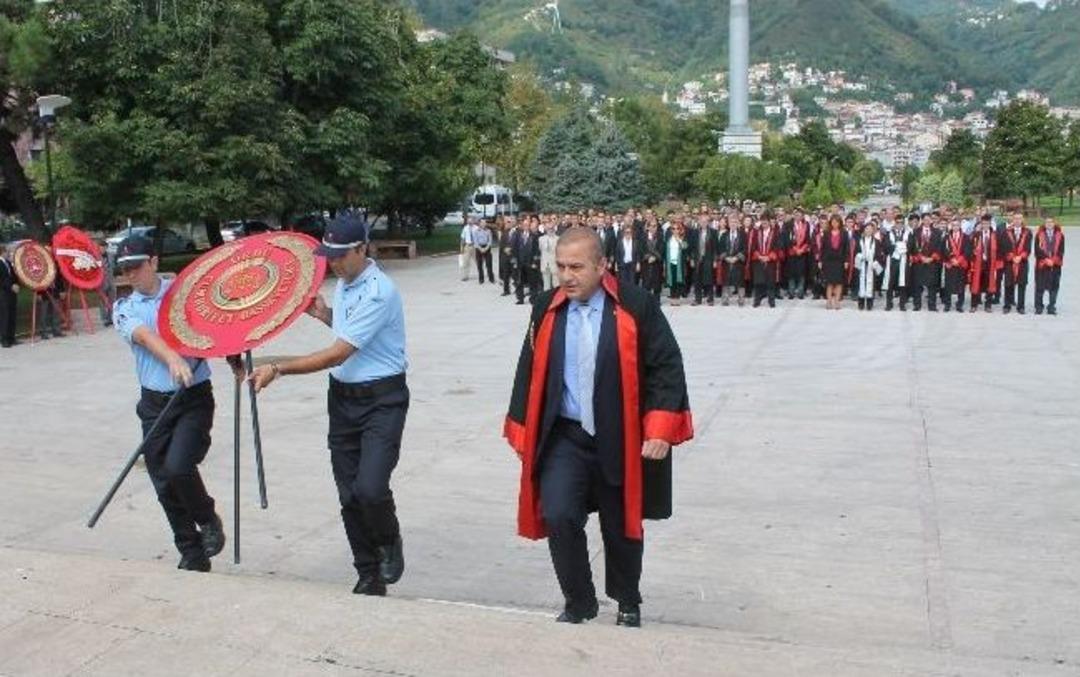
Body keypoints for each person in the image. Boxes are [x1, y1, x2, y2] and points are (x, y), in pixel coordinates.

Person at [503, 227, 693, 628]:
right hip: (565, 434)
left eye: (576, 267)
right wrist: (521, 428)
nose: (567, 276)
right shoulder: (545, 307)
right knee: (558, 513)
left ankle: (627, 600)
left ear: (602, 265)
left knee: (620, 523)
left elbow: (666, 366)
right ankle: (579, 600)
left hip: (619, 434)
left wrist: (659, 428)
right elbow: (528, 370)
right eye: (560, 267)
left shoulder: (636, 306)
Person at [249, 213, 409, 596]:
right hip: (343, 401)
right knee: (348, 494)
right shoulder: (345, 285)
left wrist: (279, 368)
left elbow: (338, 354)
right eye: (328, 256)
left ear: (361, 248)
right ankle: (367, 571)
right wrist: (324, 315)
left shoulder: (378, 291)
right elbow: (349, 332)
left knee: (370, 487)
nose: (332, 263)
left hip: (381, 400)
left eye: (340, 255)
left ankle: (388, 541)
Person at [111, 235, 234, 572]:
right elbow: (144, 337)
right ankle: (191, 552)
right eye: (125, 269)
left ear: (153, 261)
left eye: (136, 266)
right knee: (163, 481)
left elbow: (217, 326)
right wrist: (172, 358)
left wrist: (236, 359)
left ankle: (207, 518)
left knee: (179, 466)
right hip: (154, 403)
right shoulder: (124, 307)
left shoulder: (186, 295)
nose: (131, 275)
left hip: (193, 398)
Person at [910, 216, 944, 312]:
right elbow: (912, 246)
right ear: (922, 221)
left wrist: (931, 258)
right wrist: (921, 257)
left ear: (931, 221)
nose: (927, 221)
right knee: (917, 284)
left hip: (932, 262)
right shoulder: (915, 231)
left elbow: (940, 247)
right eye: (925, 220)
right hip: (919, 262)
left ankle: (932, 305)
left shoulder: (937, 232)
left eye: (929, 220)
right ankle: (917, 305)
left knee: (932, 285)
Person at [1000, 213, 1032, 315]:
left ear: (1022, 219)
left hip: (1022, 263)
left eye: (1019, 218)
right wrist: (1012, 257)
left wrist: (1020, 257)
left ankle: (1021, 306)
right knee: (1008, 284)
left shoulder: (1028, 232)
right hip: (1010, 262)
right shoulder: (1006, 232)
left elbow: (1028, 248)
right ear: (1012, 220)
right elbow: (1003, 247)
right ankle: (1007, 305)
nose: (1017, 220)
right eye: (1015, 218)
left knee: (1022, 285)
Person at [748, 213, 782, 308]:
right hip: (758, 260)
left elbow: (777, 247)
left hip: (770, 260)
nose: (764, 223)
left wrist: (768, 257)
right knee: (758, 282)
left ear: (769, 222)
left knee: (770, 282)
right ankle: (757, 300)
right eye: (763, 221)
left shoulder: (775, 233)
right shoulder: (756, 233)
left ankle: (771, 301)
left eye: (766, 221)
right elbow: (753, 247)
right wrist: (759, 256)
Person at [968, 215, 1001, 313]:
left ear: (990, 224)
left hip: (990, 264)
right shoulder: (976, 235)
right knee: (975, 283)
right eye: (983, 223)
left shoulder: (995, 235)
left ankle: (988, 305)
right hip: (978, 264)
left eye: (987, 223)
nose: (985, 225)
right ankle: (974, 305)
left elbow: (999, 250)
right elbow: (970, 248)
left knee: (989, 284)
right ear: (981, 224)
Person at [1033, 217, 1065, 315]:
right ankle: (1039, 306)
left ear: (1054, 223)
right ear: (1044, 223)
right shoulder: (1039, 235)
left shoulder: (1060, 235)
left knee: (1054, 286)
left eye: (1051, 222)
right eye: (1047, 222)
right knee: (1039, 286)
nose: (1049, 224)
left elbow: (1061, 251)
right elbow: (1037, 250)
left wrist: (1053, 260)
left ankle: (1051, 306)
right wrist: (1046, 259)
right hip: (1042, 264)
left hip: (1055, 265)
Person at [883, 218, 913, 311]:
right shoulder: (889, 234)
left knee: (903, 282)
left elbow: (911, 246)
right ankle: (889, 303)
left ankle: (902, 303)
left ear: (904, 224)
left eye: (901, 223)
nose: (899, 224)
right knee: (890, 282)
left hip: (904, 260)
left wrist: (901, 247)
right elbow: (886, 246)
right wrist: (898, 246)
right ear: (894, 223)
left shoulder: (908, 234)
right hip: (892, 261)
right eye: (897, 223)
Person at [819, 215, 848, 310]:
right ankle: (828, 301)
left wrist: (846, 260)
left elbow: (846, 248)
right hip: (828, 260)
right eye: (833, 222)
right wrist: (820, 260)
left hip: (839, 260)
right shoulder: (826, 233)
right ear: (830, 222)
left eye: (837, 222)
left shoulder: (844, 233)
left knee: (839, 282)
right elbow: (822, 248)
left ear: (840, 223)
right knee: (829, 282)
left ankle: (837, 301)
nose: (835, 223)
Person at [941, 220, 971, 312]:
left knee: (961, 285)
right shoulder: (946, 237)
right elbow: (943, 249)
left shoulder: (965, 237)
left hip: (961, 265)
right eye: (953, 225)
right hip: (950, 264)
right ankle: (947, 304)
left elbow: (968, 250)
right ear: (951, 226)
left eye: (957, 225)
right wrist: (951, 259)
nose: (955, 227)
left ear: (960, 226)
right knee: (948, 285)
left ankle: (959, 304)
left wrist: (960, 260)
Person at [853, 224, 884, 311]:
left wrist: (874, 261)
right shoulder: (859, 240)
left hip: (871, 264)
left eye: (871, 229)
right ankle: (861, 301)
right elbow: (856, 251)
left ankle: (870, 301)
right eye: (867, 229)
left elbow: (879, 254)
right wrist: (861, 256)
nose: (869, 230)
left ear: (873, 231)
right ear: (864, 230)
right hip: (862, 263)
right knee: (861, 281)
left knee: (871, 282)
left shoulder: (876, 241)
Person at [718, 217, 746, 307]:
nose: (733, 224)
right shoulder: (724, 235)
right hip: (726, 261)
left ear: (738, 224)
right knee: (726, 280)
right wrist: (726, 258)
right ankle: (725, 299)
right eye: (731, 222)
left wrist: (737, 258)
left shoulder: (743, 235)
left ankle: (741, 299)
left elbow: (745, 249)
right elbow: (720, 248)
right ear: (728, 224)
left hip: (738, 261)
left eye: (735, 222)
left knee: (740, 281)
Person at [690, 217, 718, 306]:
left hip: (708, 259)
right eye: (702, 221)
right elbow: (692, 247)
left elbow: (715, 248)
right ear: (699, 222)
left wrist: (715, 260)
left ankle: (710, 299)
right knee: (697, 280)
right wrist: (691, 259)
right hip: (697, 259)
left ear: (708, 222)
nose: (703, 223)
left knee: (709, 280)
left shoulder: (713, 232)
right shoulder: (695, 232)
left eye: (705, 221)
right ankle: (697, 299)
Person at [782, 214, 811, 300]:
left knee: (802, 273)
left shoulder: (806, 225)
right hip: (791, 253)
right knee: (791, 273)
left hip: (802, 253)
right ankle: (791, 292)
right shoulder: (788, 225)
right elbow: (786, 239)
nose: (798, 217)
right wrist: (794, 249)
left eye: (800, 215)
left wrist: (802, 249)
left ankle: (800, 292)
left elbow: (808, 239)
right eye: (796, 215)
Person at [664, 221, 689, 305]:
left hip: (679, 264)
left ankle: (677, 299)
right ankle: (672, 298)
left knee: (678, 281)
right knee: (671, 281)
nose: (675, 230)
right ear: (671, 230)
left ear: (680, 230)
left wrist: (679, 240)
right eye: (673, 229)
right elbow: (665, 251)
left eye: (677, 229)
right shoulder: (668, 239)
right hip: (670, 262)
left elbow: (685, 247)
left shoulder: (682, 238)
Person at [0, 244, 18, 347]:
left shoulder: (8, 263)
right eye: (8, 251)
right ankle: (4, 339)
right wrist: (10, 286)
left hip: (12, 293)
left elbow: (13, 276)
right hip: (4, 293)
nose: (9, 253)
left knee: (12, 314)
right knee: (5, 316)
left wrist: (16, 284)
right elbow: (1, 280)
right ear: (2, 252)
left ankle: (12, 337)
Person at [614, 223, 640, 289]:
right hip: (623, 265)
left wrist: (638, 263)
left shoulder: (635, 242)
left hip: (632, 265)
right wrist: (616, 264)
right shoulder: (620, 242)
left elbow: (637, 253)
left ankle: (631, 298)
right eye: (626, 232)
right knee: (623, 283)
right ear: (623, 233)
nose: (628, 234)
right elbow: (617, 254)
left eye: (630, 232)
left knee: (632, 283)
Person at [539, 220, 560, 290]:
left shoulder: (558, 239)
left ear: (554, 229)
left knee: (556, 285)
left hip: (554, 264)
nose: (550, 230)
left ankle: (556, 300)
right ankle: (547, 300)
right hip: (545, 265)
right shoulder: (541, 239)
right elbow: (540, 250)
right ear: (545, 229)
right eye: (548, 228)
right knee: (546, 286)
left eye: (551, 228)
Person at [473, 220, 495, 285]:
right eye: (482, 223)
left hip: (487, 248)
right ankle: (481, 279)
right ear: (479, 224)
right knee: (479, 265)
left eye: (485, 223)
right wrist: (480, 249)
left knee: (489, 264)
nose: (484, 224)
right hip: (478, 248)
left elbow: (490, 241)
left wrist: (486, 248)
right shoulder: (476, 231)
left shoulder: (488, 231)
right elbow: (475, 241)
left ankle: (491, 278)